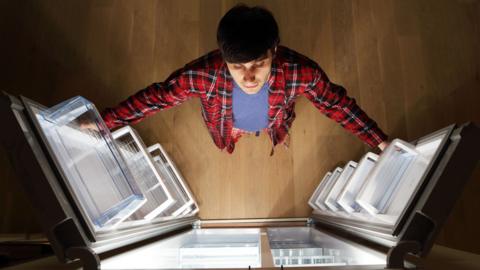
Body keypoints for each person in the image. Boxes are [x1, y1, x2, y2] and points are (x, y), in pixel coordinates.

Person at [101, 4, 389, 155]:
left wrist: (379, 141)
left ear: (274, 49)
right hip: (225, 123)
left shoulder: (301, 72)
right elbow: (157, 98)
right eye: (237, 66)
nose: (249, 78)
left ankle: (275, 132)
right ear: (222, 55)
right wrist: (105, 123)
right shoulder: (204, 75)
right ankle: (238, 134)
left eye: (259, 63)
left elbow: (335, 104)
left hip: (275, 118)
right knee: (231, 132)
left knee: (277, 125)